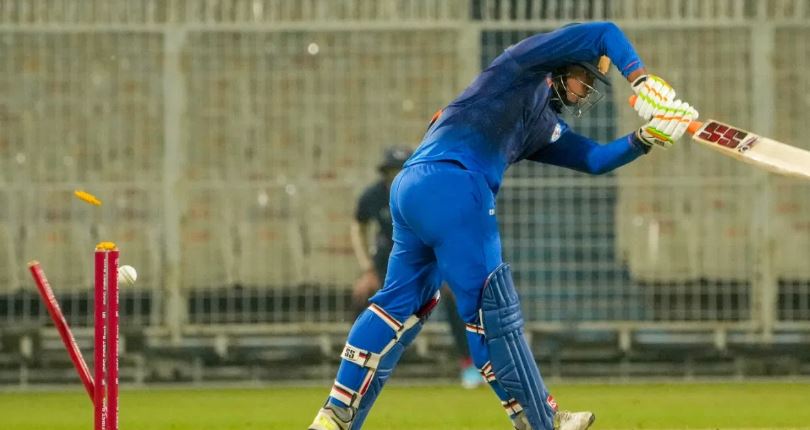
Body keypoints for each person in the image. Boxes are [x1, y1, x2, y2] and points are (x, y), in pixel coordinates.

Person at [309, 21, 697, 430]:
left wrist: (646, 138)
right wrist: (641, 80)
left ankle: (335, 416)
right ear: (563, 67)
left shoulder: (542, 125)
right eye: (583, 79)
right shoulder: (521, 65)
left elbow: (595, 159)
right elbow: (605, 31)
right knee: (494, 312)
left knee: (399, 308)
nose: (585, 91)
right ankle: (542, 422)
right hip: (457, 187)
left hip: (411, 189)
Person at [350, 147, 483, 389]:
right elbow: (357, 226)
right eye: (391, 172)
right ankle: (360, 366)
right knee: (362, 295)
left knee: (457, 296)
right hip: (390, 262)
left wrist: (448, 270)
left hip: (429, 257)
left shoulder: (431, 194)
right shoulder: (373, 196)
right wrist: (367, 269)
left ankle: (470, 363)